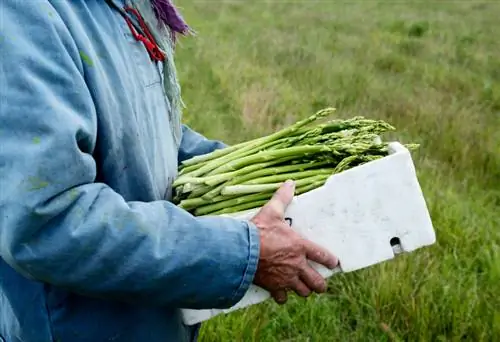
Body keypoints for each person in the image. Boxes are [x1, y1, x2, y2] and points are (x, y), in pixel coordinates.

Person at [0, 1, 339, 341]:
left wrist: (260, 171)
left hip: (149, 313)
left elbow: (145, 128)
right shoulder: (23, 15)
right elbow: (47, 221)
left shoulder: (124, 7)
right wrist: (241, 252)